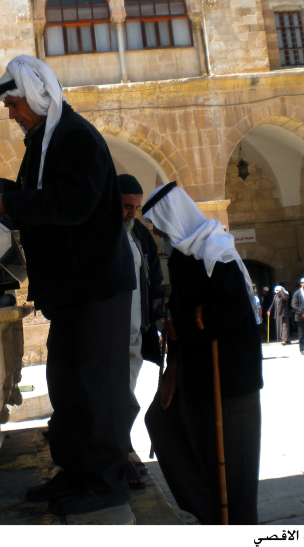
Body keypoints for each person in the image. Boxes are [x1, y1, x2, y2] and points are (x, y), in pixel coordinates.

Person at [0, 55, 136, 515]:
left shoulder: (76, 137)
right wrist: (0, 187)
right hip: (71, 290)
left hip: (97, 286)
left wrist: (6, 202)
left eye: (15, 103)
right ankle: (77, 472)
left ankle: (106, 482)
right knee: (67, 385)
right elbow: (43, 193)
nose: (11, 114)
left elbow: (72, 203)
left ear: (39, 96)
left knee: (97, 388)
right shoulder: (44, 141)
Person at [142, 183, 263, 525]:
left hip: (226, 379)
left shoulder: (215, 252)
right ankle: (207, 512)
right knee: (165, 426)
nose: (156, 233)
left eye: (158, 226)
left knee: (232, 469)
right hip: (196, 375)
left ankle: (231, 523)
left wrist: (183, 324)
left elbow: (233, 307)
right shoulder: (185, 256)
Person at [118, 173, 164, 489]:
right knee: (114, 395)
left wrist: (158, 314)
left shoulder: (139, 235)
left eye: (136, 206)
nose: (131, 213)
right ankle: (119, 452)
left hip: (136, 331)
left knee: (128, 394)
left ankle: (124, 447)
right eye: (125, 206)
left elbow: (154, 276)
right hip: (110, 333)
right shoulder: (102, 231)